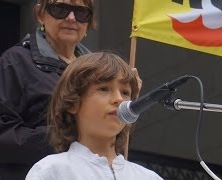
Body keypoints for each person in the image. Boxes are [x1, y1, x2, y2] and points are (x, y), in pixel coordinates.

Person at [0, 0, 97, 179]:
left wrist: (127, 94)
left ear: (89, 23)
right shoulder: (15, 61)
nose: (71, 18)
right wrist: (62, 137)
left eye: (81, 13)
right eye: (59, 9)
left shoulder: (100, 74)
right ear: (41, 14)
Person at [25, 52, 162, 180]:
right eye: (103, 89)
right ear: (73, 103)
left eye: (125, 92)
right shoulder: (51, 171)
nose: (119, 99)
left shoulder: (149, 177)